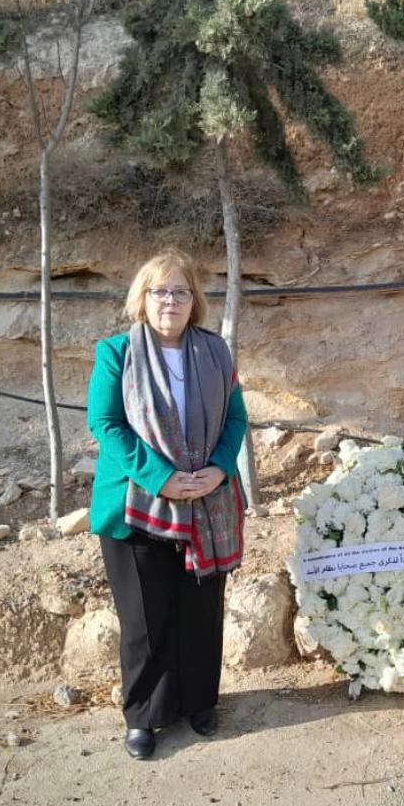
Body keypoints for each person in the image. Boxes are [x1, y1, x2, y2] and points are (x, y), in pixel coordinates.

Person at [86, 249, 248, 759]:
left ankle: (199, 702)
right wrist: (162, 479)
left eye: (180, 291)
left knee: (201, 612)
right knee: (145, 621)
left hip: (207, 501)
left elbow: (236, 418)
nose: (170, 301)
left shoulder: (216, 353)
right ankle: (142, 718)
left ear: (194, 300)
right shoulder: (116, 353)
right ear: (143, 298)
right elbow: (105, 423)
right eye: (160, 291)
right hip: (138, 504)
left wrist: (219, 469)